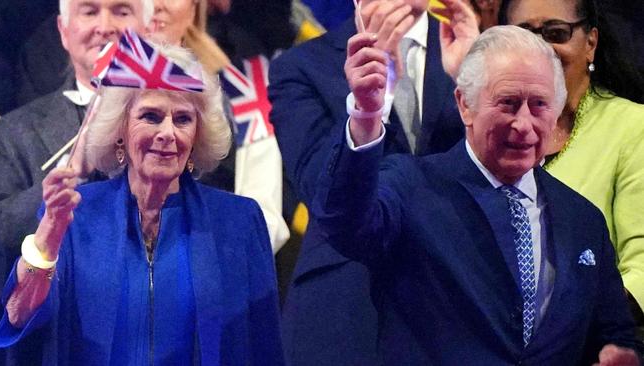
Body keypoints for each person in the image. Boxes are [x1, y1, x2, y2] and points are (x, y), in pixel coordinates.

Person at [314, 24, 644, 364]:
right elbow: (344, 225)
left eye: (540, 105)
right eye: (508, 103)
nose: (524, 124)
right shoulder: (410, 188)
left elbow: (615, 333)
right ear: (465, 105)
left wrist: (618, 354)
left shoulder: (583, 219)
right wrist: (366, 117)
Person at [0, 43, 284, 365]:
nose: (167, 133)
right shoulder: (75, 215)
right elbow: (17, 317)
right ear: (120, 130)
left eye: (183, 119)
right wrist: (46, 241)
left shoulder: (238, 222)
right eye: (151, 116)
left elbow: (264, 347)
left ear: (198, 134)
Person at [267, 0, 475, 363]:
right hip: (347, 309)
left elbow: (508, 176)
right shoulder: (301, 67)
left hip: (457, 301)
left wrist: (475, 83)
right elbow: (322, 194)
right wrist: (373, 102)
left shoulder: (474, 51)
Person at [499, 0, 644, 335]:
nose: (539, 49)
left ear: (591, 42)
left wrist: (563, 332)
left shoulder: (632, 127)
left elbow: (641, 269)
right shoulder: (492, 133)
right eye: (523, 35)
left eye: (555, 33)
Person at [0, 0, 153, 271]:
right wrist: (71, 173)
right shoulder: (13, 134)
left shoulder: (187, 118)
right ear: (63, 30)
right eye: (89, 12)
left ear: (147, 29)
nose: (105, 27)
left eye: (121, 12)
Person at [148, 0, 291, 252]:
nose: (156, 5)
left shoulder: (244, 85)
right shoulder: (87, 80)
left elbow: (263, 220)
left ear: (195, 5)